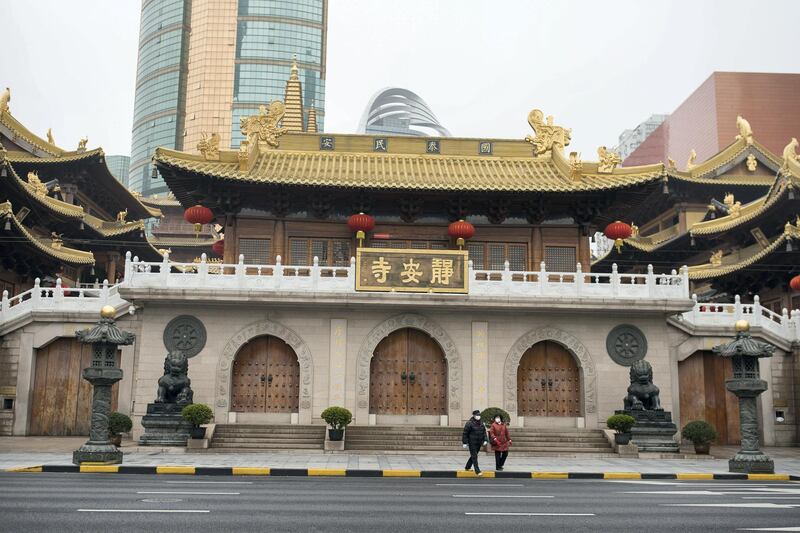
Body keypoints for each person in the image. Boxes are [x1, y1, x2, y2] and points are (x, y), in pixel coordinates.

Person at [462, 409, 488, 476]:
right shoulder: (469, 423)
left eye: (479, 415)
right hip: (472, 442)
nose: (478, 416)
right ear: (474, 415)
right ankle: (477, 471)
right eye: (477, 415)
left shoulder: (481, 423)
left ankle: (467, 467)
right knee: (475, 456)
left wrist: (485, 440)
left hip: (479, 442)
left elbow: (484, 432)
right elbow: (465, 433)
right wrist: (465, 442)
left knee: (474, 455)